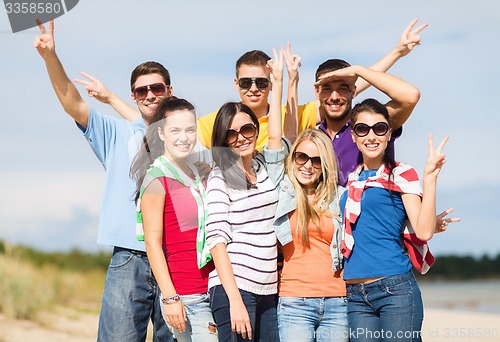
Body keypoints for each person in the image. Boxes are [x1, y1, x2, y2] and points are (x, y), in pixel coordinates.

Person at [34, 19, 175, 341]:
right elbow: (73, 102)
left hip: (177, 257)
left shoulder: (188, 140)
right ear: (134, 95)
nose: (150, 94)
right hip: (130, 257)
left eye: (157, 88)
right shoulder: (116, 134)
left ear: (170, 90)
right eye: (142, 90)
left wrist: (112, 98)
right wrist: (51, 58)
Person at [197, 19, 428, 151]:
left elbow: (344, 93)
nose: (254, 88)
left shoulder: (291, 114)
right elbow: (171, 140)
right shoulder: (216, 121)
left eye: (261, 82)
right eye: (247, 82)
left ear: (271, 83)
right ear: (236, 84)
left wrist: (396, 53)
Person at [340, 98, 448, 341]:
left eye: (379, 128)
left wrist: (430, 178)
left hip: (394, 289)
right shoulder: (351, 179)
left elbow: (423, 231)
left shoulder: (401, 173)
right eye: (362, 129)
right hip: (355, 294)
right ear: (354, 136)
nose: (371, 136)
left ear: (389, 134)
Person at [203, 48, 285, 341]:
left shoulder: (265, 168)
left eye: (247, 128)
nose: (241, 137)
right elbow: (216, 241)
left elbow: (275, 136)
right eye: (232, 134)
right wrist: (234, 299)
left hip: (268, 289)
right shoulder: (219, 177)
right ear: (223, 140)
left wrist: (278, 83)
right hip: (235, 290)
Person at [131, 96, 217, 342]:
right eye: (175, 130)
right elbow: (152, 243)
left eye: (190, 130)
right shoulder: (156, 179)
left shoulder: (198, 175)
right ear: (161, 133)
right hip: (187, 296)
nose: (184, 137)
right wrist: (170, 298)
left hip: (214, 288)